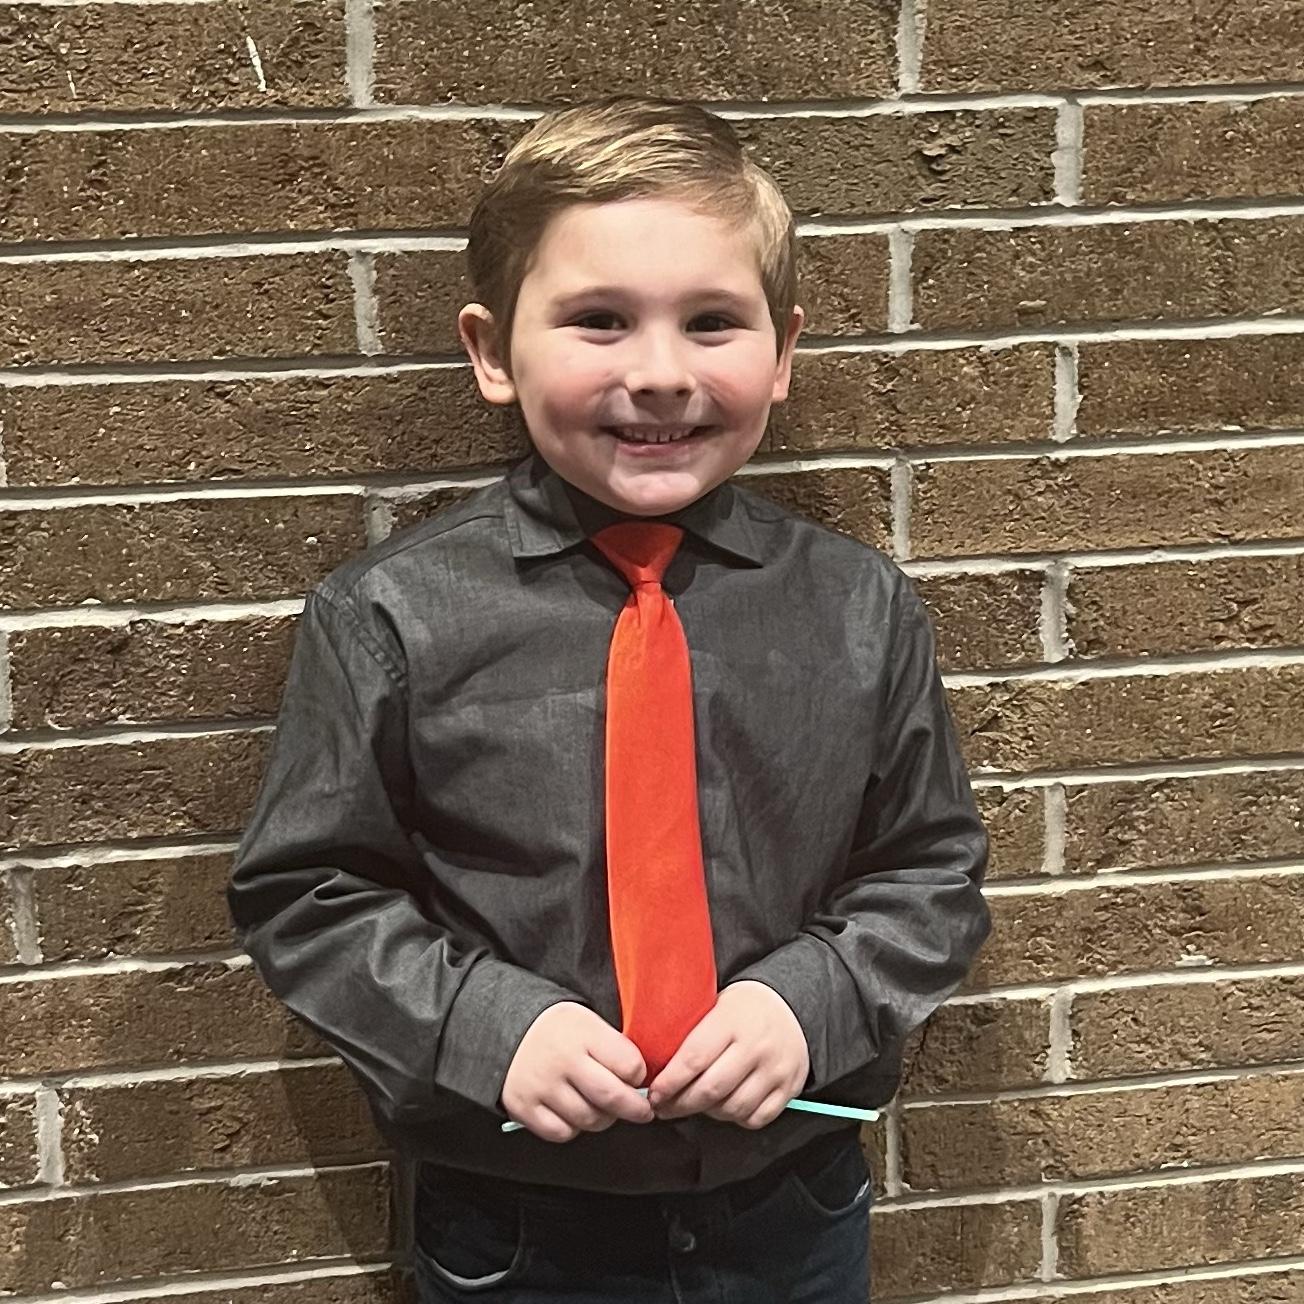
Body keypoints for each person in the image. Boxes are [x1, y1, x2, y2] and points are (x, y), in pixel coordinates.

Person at [227, 93, 991, 1303]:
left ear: (782, 353)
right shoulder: (389, 617)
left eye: (711, 322)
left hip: (791, 1201)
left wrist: (812, 1000)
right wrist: (485, 1022)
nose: (658, 373)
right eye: (597, 320)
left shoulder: (859, 608)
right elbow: (308, 891)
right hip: (516, 1220)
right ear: (492, 352)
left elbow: (930, 868)